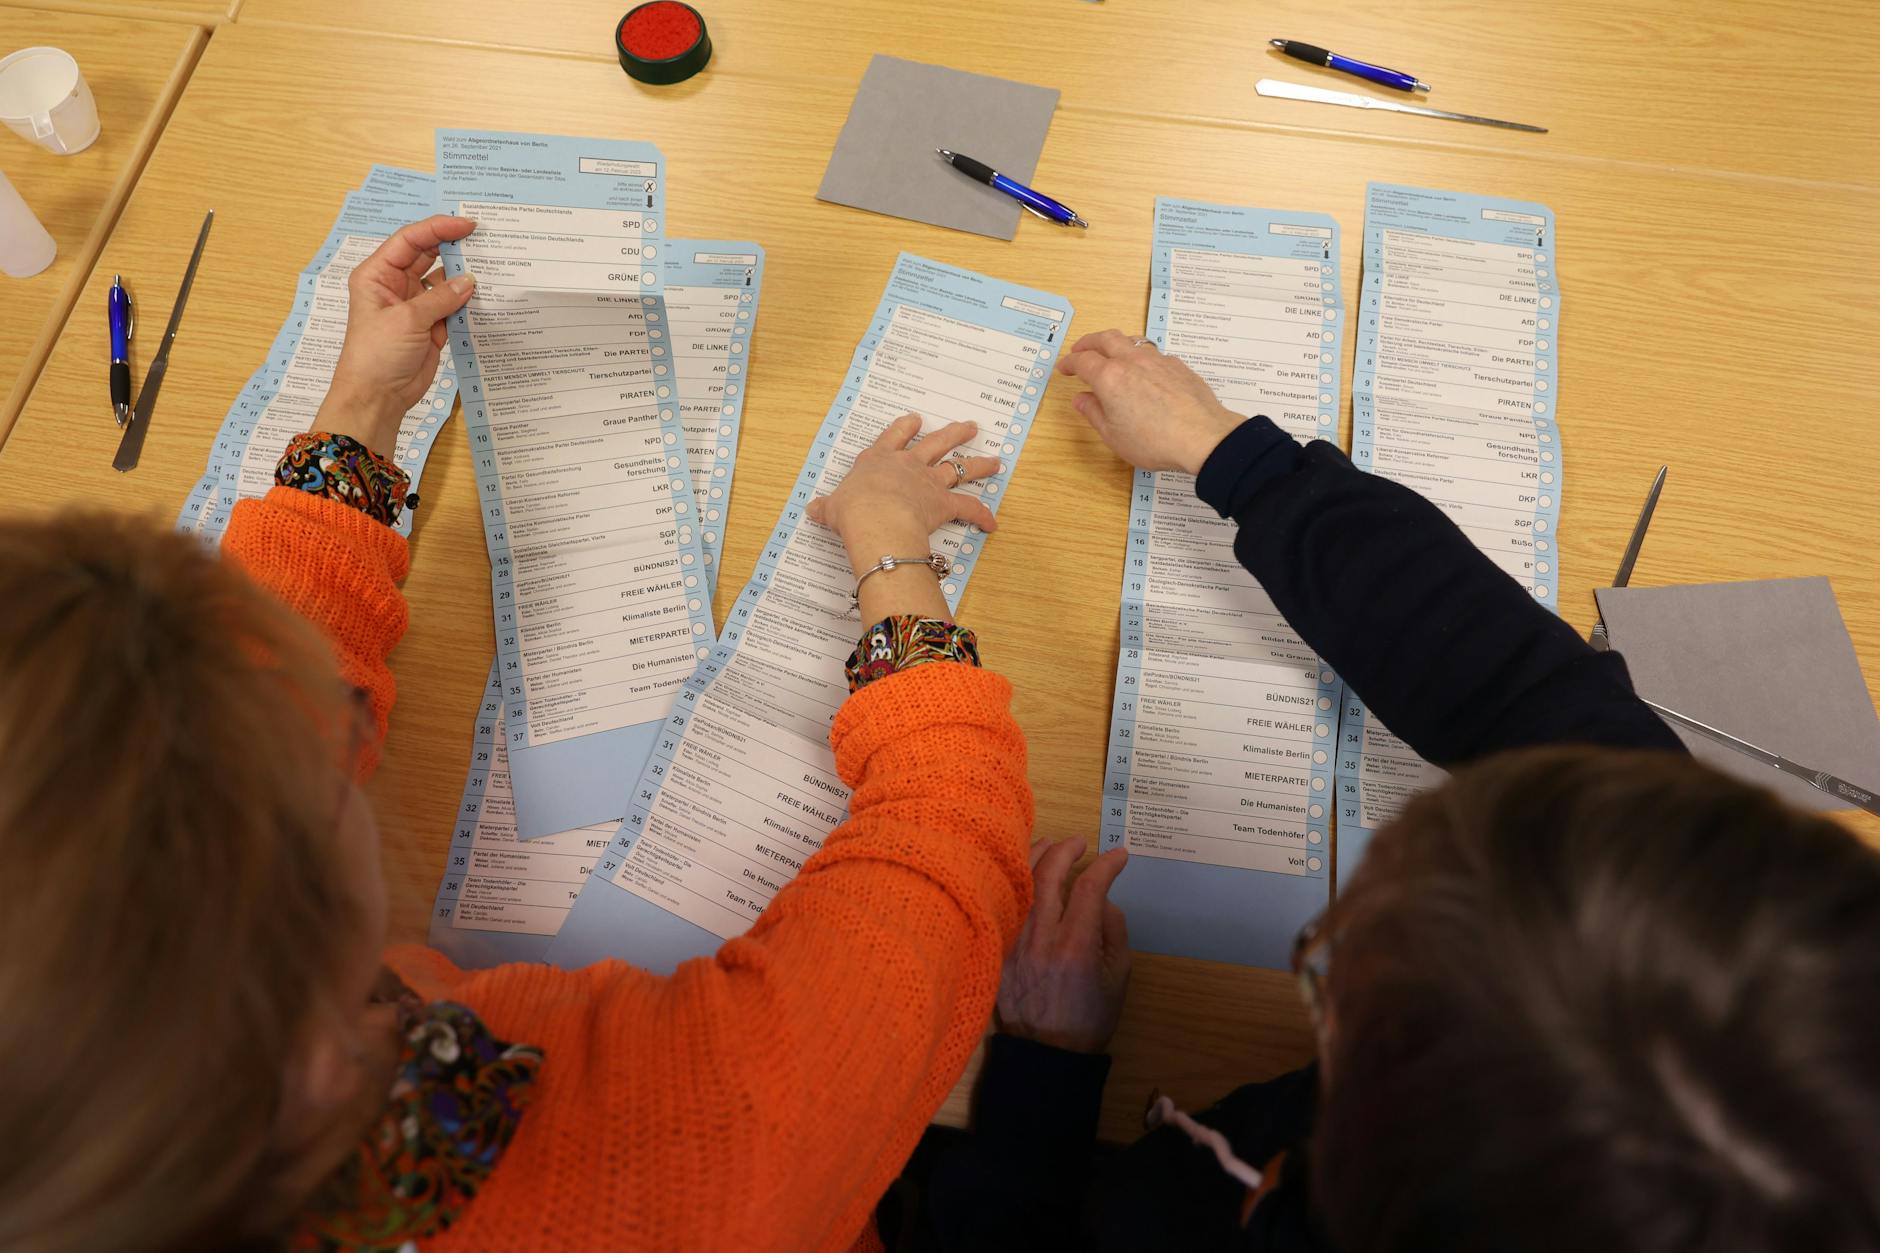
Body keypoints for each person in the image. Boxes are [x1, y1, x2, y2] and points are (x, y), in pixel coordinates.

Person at [0, 216, 1037, 1252]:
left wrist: (363, 403)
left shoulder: (104, 1107)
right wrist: (890, 546)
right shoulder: (687, 1157)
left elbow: (242, 688)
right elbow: (946, 840)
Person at [901, 331, 1880, 1252]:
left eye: (1342, 976)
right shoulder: (1728, 934)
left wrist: (1042, 1074)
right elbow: (1512, 684)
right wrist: (1233, 457)